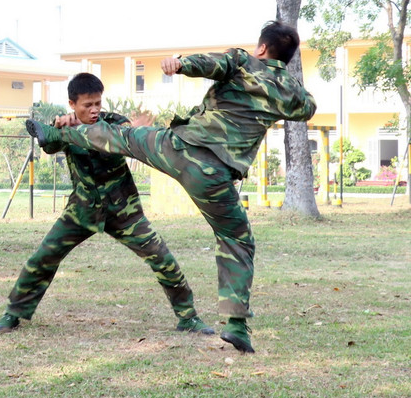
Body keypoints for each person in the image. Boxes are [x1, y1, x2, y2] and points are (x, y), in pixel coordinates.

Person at [25, 21, 317, 353]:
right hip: (216, 175)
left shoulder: (243, 60)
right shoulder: (288, 90)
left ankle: (57, 133)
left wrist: (182, 64)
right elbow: (307, 107)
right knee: (237, 240)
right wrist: (282, 79)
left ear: (261, 48)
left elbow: (215, 63)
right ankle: (236, 324)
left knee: (122, 137)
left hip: (180, 147)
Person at [0, 73, 213, 336]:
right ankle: (13, 313)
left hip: (124, 210)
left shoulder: (114, 123)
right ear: (72, 104)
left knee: (162, 257)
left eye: (98, 103)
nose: (95, 109)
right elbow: (48, 144)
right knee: (43, 258)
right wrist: (60, 126)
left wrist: (94, 128)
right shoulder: (65, 127)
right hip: (82, 210)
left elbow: (119, 137)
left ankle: (188, 317)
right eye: (88, 105)